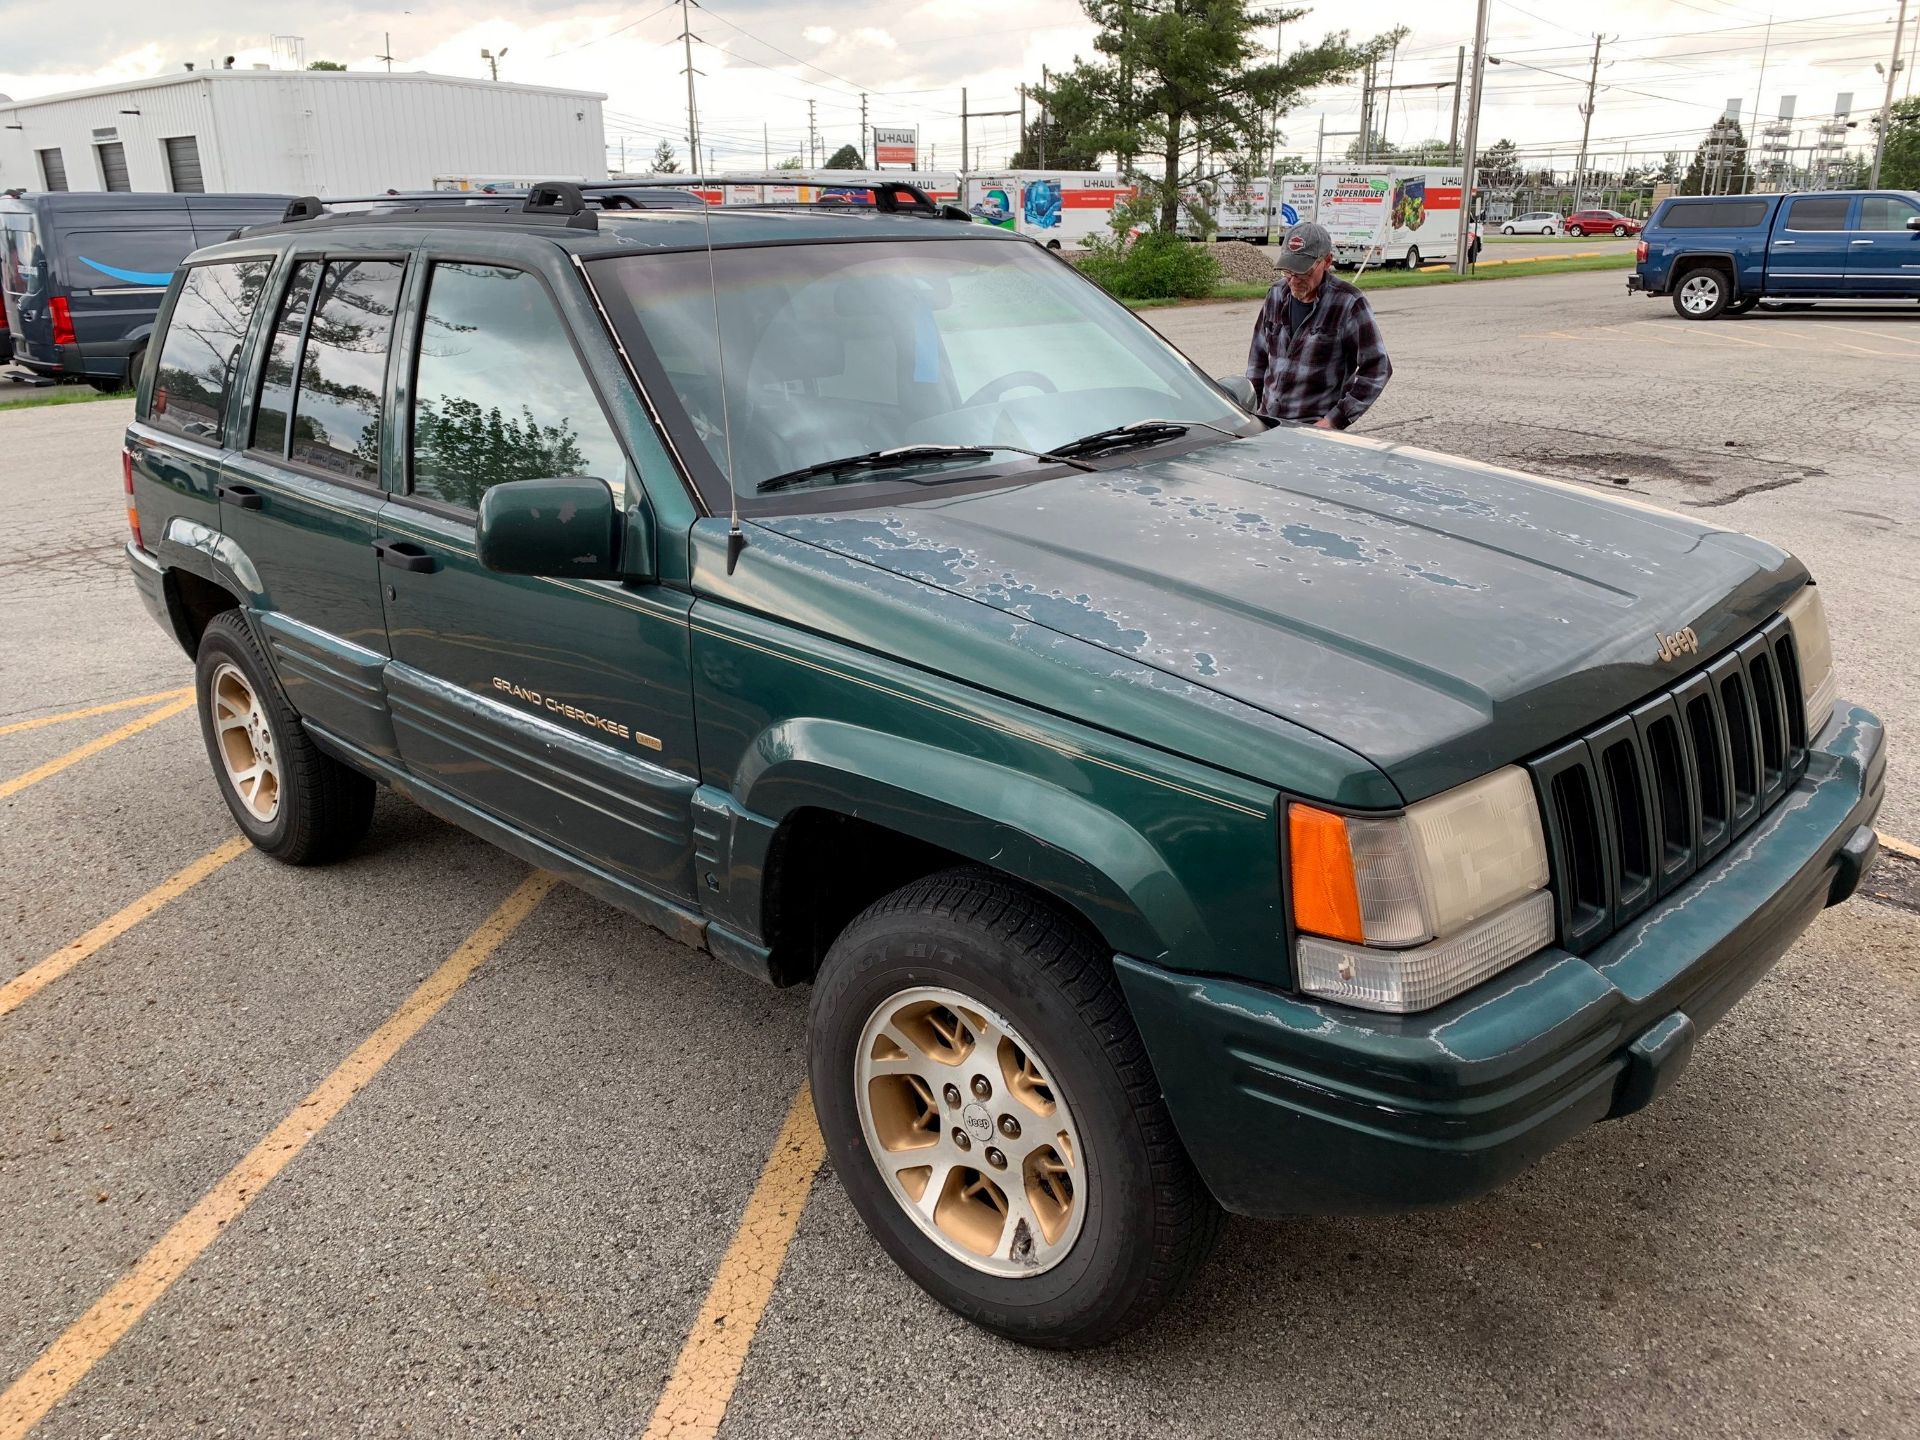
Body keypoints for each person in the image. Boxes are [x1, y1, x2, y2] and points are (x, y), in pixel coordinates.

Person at [1245, 221, 1392, 430]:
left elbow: (1378, 367)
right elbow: (1257, 359)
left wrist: (1334, 421)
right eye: (1288, 270)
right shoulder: (1276, 295)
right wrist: (1251, 412)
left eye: (1302, 272)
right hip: (1268, 425)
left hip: (1315, 432)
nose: (1293, 280)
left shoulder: (1348, 303)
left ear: (1327, 261)